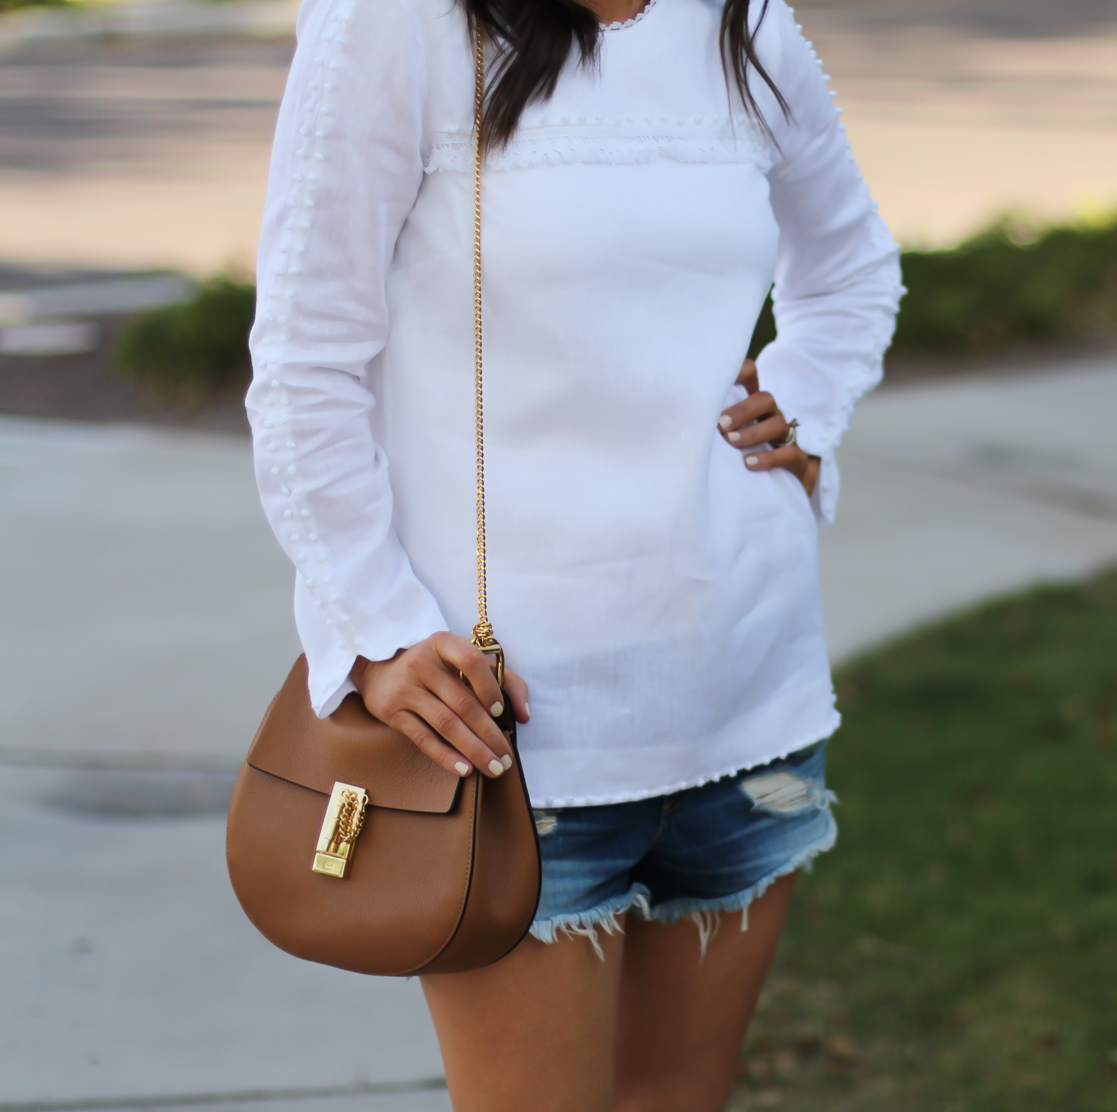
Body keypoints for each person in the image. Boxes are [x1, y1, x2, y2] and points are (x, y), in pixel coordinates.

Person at [244, 0, 901, 1104]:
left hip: (746, 707)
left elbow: (851, 270)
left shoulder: (743, 21)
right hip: (515, 745)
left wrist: (803, 416)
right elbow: (307, 358)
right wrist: (377, 628)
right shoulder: (393, 24)